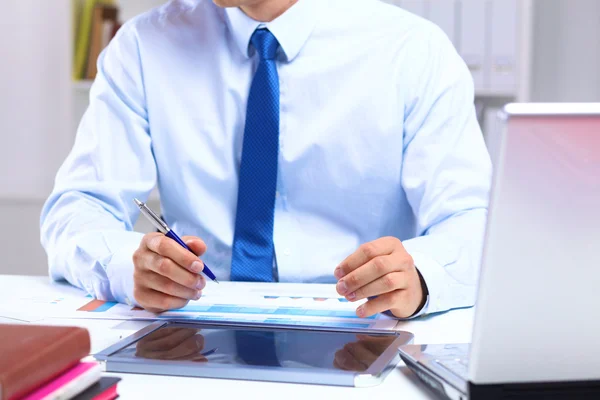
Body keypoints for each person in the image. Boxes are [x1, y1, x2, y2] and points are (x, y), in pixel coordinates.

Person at [40, 0, 491, 319]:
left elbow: (474, 220)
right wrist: (127, 266)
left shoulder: (413, 51)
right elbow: (76, 208)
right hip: (193, 334)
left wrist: (420, 275)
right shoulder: (142, 45)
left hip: (359, 326)